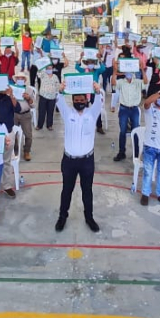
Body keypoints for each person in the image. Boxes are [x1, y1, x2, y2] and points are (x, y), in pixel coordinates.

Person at [55, 80, 104, 233]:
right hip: (69, 161)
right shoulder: (67, 113)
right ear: (73, 101)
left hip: (87, 161)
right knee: (66, 190)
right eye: (76, 100)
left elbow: (100, 100)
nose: (79, 102)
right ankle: (62, 217)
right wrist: (61, 90)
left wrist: (97, 90)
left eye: (82, 100)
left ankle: (89, 218)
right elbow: (59, 99)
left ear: (86, 100)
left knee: (87, 191)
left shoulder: (92, 113)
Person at [112, 68, 144, 162]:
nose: (129, 74)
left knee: (136, 131)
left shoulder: (138, 82)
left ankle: (137, 153)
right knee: (122, 131)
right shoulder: (121, 82)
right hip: (123, 109)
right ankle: (122, 152)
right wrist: (114, 71)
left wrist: (143, 69)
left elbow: (145, 82)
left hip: (134, 109)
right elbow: (114, 83)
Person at [12, 73, 35, 161]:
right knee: (13, 134)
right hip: (14, 114)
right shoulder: (12, 89)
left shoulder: (29, 89)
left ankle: (27, 151)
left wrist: (29, 98)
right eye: (18, 78)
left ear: (25, 80)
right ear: (16, 80)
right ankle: (15, 150)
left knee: (28, 134)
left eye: (22, 78)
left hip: (25, 114)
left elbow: (33, 105)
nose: (20, 79)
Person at [36, 64, 61, 130]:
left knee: (50, 112)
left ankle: (49, 125)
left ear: (52, 69)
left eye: (50, 68)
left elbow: (58, 85)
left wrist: (58, 92)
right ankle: (39, 125)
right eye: (48, 68)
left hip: (52, 97)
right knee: (41, 112)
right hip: (43, 96)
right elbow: (38, 73)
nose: (49, 70)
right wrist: (42, 66)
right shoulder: (43, 74)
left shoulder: (55, 76)